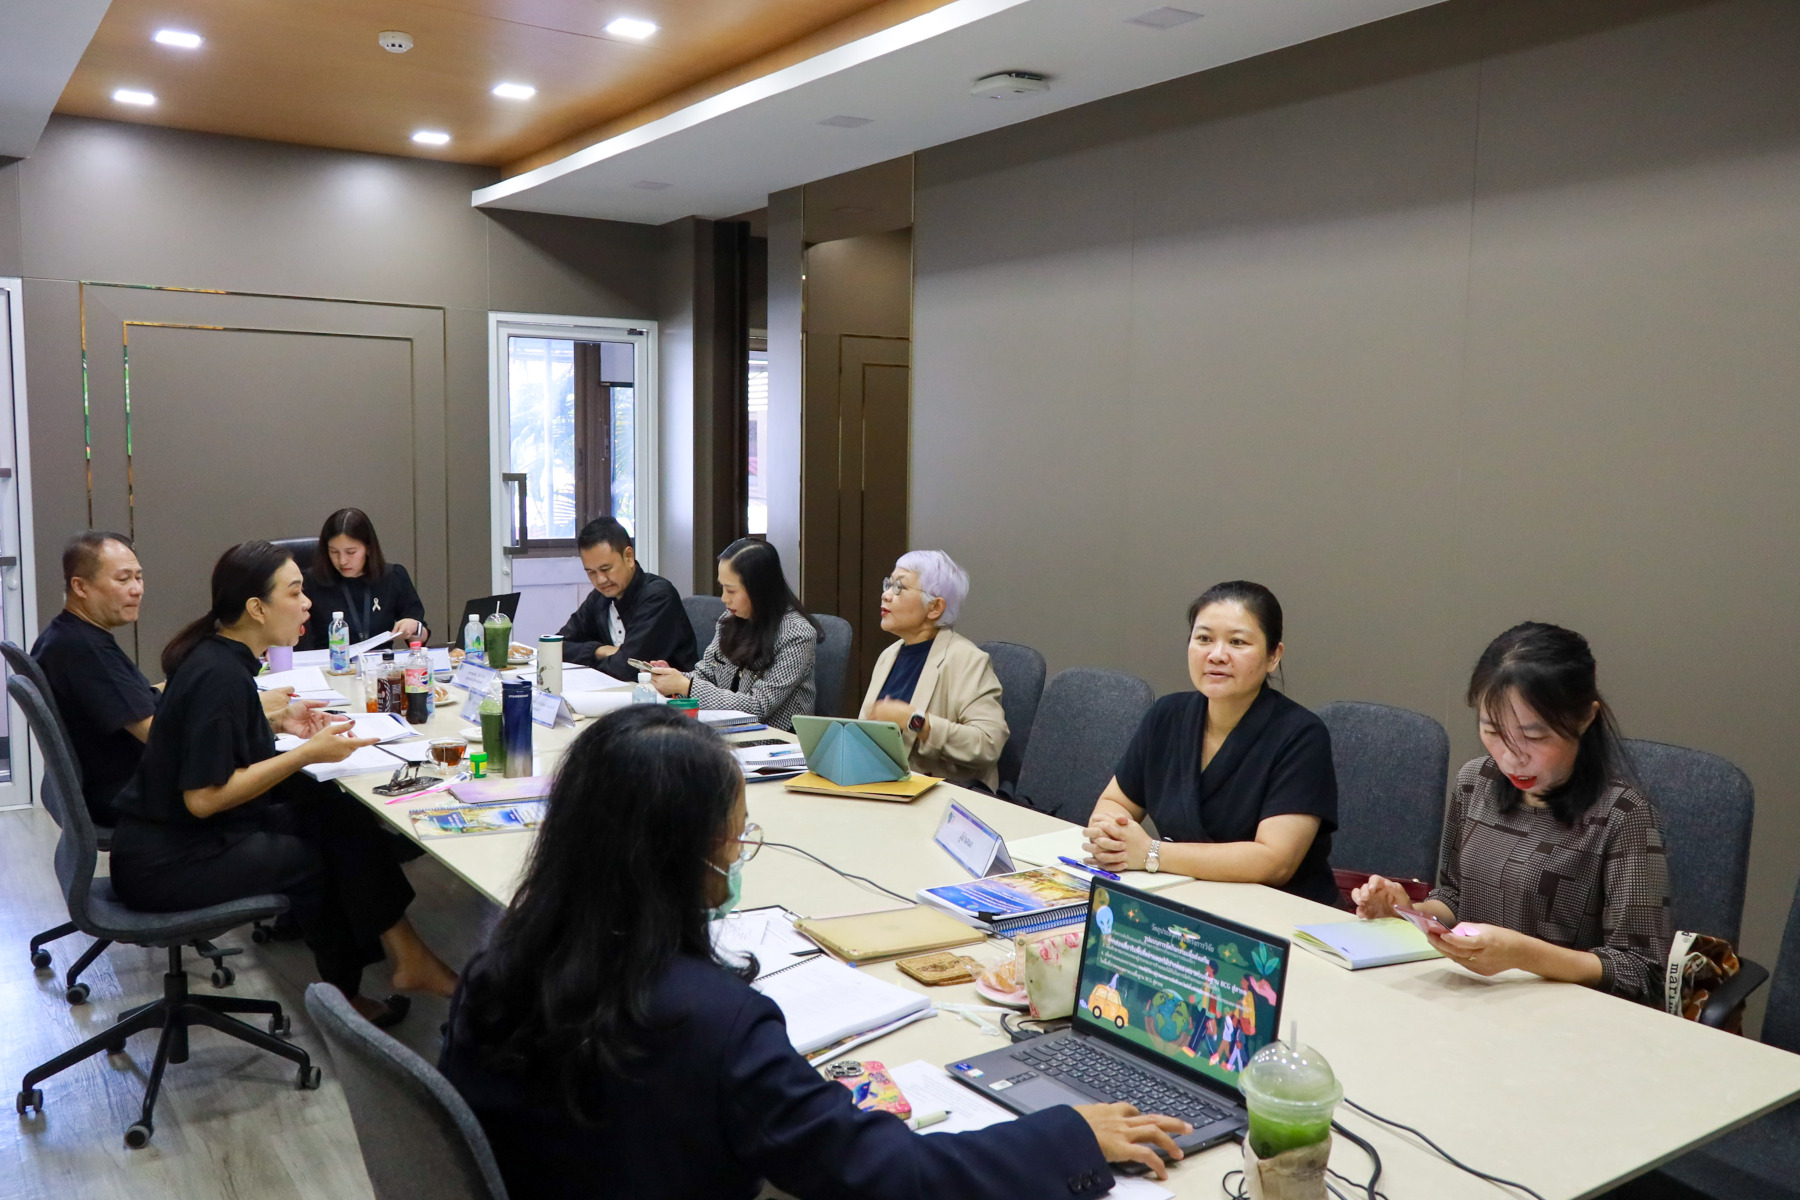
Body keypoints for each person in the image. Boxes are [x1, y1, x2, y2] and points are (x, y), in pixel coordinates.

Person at [439, 705, 1192, 1198]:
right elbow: (893, 1177)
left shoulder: (498, 965)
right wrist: (1068, 1135)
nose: (738, 854)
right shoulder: (716, 1025)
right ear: (681, 854)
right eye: (735, 836)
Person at [110, 541, 459, 1025]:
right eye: (295, 592)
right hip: (167, 861)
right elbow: (204, 800)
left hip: (188, 837)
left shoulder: (219, 658)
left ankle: (407, 955)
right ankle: (346, 1000)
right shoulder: (219, 675)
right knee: (311, 858)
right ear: (257, 608)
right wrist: (306, 754)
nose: (308, 603)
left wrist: (279, 722)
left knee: (336, 814)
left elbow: (216, 737)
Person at [1353, 622, 1673, 1004]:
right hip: (1470, 998)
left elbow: (1640, 970)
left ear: (1586, 719)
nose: (1510, 758)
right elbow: (1454, 897)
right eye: (1492, 731)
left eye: (1534, 737)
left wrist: (1523, 955)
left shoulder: (1623, 815)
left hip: (1565, 1015)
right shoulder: (1475, 782)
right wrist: (1408, 912)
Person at [1083, 581, 1340, 906]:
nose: (1216, 655)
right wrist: (1111, 835)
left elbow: (1275, 862)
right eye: (1204, 639)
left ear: (1273, 656)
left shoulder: (1301, 735)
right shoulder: (1167, 715)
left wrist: (1151, 853)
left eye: (1237, 642)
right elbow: (1115, 801)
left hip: (1278, 914)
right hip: (1184, 897)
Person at [30, 532, 159, 828]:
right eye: (123, 579)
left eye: (139, 577)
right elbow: (160, 735)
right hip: (127, 792)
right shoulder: (86, 651)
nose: (137, 589)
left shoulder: (64, 634)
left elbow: (134, 696)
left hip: (115, 783)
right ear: (80, 586)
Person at [857, 550, 1008, 789]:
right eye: (888, 584)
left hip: (942, 794)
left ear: (935, 607)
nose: (886, 595)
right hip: (880, 784)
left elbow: (988, 744)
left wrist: (916, 721)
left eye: (899, 587)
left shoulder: (968, 660)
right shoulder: (889, 655)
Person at [650, 539, 816, 731]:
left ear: (759, 589)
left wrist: (686, 685)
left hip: (774, 740)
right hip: (728, 730)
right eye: (722, 588)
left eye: (731, 590)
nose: (724, 598)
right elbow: (705, 674)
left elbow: (758, 706)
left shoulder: (796, 634)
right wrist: (674, 677)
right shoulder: (730, 619)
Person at [557, 516, 697, 680]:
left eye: (606, 569)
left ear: (629, 557)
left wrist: (591, 658)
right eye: (591, 572)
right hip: (614, 689)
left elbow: (626, 669)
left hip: (665, 693)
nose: (600, 580)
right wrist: (598, 650)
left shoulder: (658, 596)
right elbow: (555, 648)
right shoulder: (599, 598)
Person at [297, 508, 428, 651]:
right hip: (330, 662)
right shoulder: (310, 582)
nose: (342, 561)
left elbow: (420, 639)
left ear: (368, 548)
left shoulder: (393, 577)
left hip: (379, 662)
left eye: (351, 552)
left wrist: (414, 627)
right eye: (334, 552)